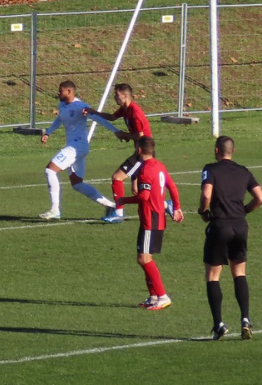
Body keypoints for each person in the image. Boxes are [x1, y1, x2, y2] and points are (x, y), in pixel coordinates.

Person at [198, 136, 262, 340]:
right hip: (239, 226)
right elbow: (260, 198)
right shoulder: (243, 171)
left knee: (213, 276)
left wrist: (203, 211)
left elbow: (207, 194)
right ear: (232, 151)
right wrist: (243, 210)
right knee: (239, 273)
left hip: (219, 225)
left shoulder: (210, 169)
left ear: (217, 150)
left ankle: (219, 324)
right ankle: (245, 319)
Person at [39, 80, 129, 219]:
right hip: (75, 146)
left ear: (69, 91)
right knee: (77, 184)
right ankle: (111, 206)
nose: (58, 92)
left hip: (77, 146)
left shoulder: (81, 106)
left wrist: (116, 131)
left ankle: (55, 209)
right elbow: (59, 119)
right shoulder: (62, 104)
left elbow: (99, 119)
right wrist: (48, 132)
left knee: (50, 170)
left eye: (61, 90)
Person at [114, 137, 182, 311]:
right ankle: (153, 296)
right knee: (144, 258)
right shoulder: (159, 166)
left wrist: (123, 200)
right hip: (155, 218)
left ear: (138, 150)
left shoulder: (145, 171)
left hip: (150, 219)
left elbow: (143, 196)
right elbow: (172, 187)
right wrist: (177, 208)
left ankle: (162, 296)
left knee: (144, 259)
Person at [84, 83, 153, 223]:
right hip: (139, 152)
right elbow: (111, 117)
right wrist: (93, 112)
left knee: (117, 178)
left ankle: (119, 213)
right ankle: (166, 206)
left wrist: (124, 135)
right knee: (138, 191)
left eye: (117, 95)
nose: (115, 97)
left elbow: (141, 136)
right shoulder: (125, 109)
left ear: (125, 96)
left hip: (144, 154)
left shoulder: (135, 113)